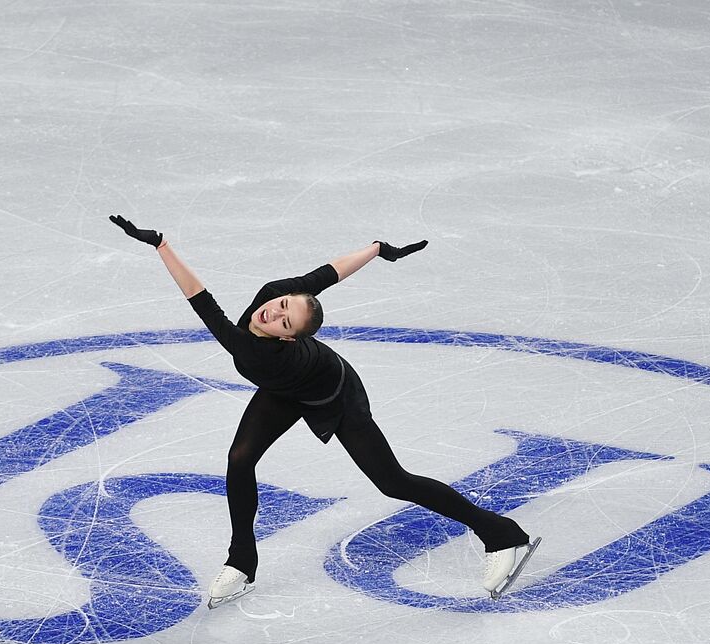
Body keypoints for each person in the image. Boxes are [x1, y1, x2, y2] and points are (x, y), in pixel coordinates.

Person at [109, 215, 539, 608]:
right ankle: (242, 561)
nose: (272, 313)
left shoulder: (257, 352)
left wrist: (163, 246)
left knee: (392, 482)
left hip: (333, 393)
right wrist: (376, 248)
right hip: (284, 389)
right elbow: (329, 273)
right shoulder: (276, 295)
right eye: (281, 307)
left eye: (283, 322)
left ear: (289, 339)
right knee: (240, 460)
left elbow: (200, 299)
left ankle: (501, 534)